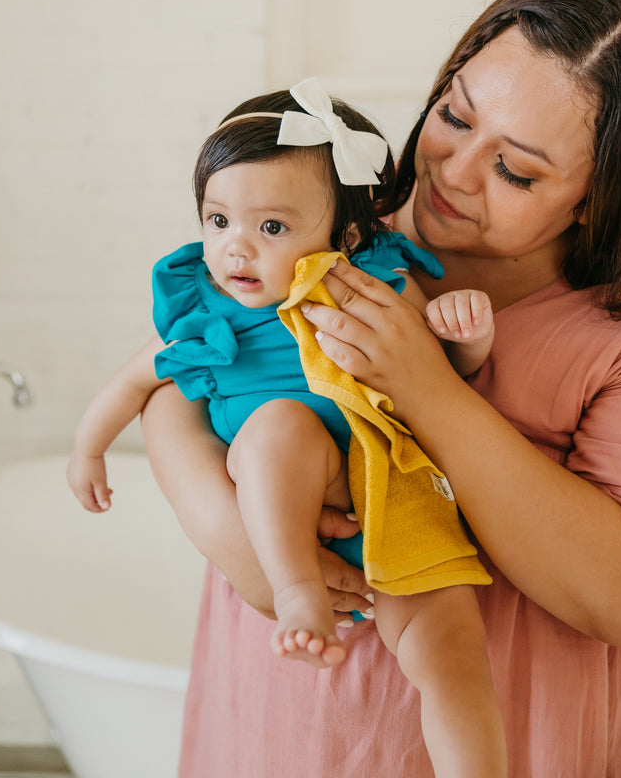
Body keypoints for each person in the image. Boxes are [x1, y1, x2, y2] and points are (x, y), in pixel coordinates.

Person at [139, 0, 621, 778]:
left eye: (516, 171)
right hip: (295, 712)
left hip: (515, 725)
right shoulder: (321, 223)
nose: (452, 170)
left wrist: (431, 389)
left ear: (597, 196)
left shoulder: (618, 333)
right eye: (454, 116)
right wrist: (232, 537)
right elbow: (174, 383)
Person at [68, 79, 506, 777]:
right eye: (218, 222)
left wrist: (469, 336)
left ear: (349, 235)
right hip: (295, 497)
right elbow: (137, 377)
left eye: (270, 227)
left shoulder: (374, 281)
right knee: (276, 426)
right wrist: (89, 447)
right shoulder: (215, 316)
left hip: (394, 489)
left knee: (452, 655)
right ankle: (299, 592)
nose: (236, 249)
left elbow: (446, 371)